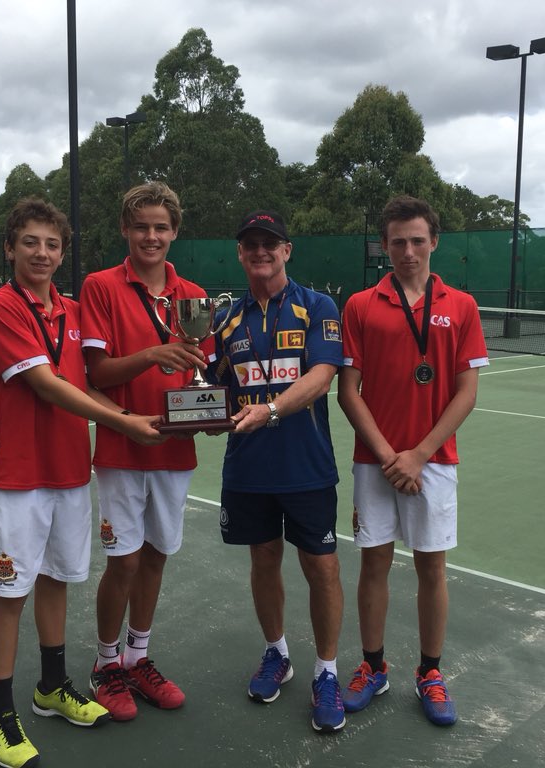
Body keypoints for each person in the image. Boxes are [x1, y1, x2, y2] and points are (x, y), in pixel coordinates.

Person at [0, 198, 166, 768]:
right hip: (18, 478)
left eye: (52, 244)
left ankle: (52, 688)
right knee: (11, 593)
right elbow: (48, 384)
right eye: (30, 242)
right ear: (10, 248)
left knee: (57, 580)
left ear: (63, 252)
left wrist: (158, 397)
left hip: (68, 472)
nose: (42, 253)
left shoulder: (75, 310)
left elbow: (97, 377)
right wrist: (123, 422)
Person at [337, 195, 489, 727]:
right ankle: (373, 667)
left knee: (431, 566)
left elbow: (467, 391)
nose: (408, 250)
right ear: (384, 245)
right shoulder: (359, 305)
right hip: (374, 461)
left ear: (434, 242)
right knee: (373, 562)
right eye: (397, 241)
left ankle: (429, 672)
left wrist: (419, 455)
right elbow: (349, 392)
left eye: (417, 240)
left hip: (435, 461)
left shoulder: (462, 305)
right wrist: (387, 456)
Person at [209, 210, 347, 733]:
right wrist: (193, 410)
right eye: (251, 245)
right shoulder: (224, 320)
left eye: (270, 243)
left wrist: (269, 410)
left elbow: (321, 375)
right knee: (263, 561)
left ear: (287, 250)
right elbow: (216, 390)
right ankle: (278, 653)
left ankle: (328, 673)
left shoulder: (318, 307)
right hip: (248, 470)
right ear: (241, 254)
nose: (260, 252)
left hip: (307, 467)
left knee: (323, 569)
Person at [79, 181, 211, 721]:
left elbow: (200, 369)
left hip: (174, 451)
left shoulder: (194, 295)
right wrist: (151, 354)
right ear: (125, 230)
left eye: (161, 227)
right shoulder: (101, 286)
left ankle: (138, 657)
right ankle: (106, 664)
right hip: (122, 445)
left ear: (174, 232)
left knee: (156, 557)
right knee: (124, 560)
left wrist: (210, 411)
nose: (151, 236)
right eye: (141, 226)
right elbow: (96, 373)